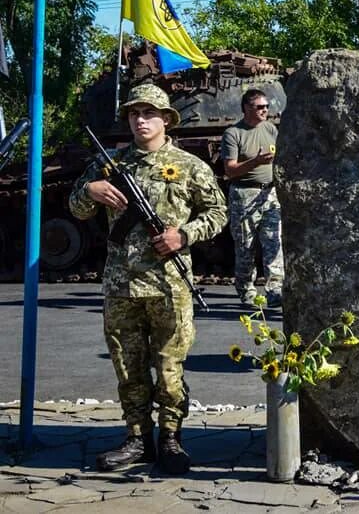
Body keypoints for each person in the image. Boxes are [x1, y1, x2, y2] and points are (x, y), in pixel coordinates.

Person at [69, 84, 227, 474]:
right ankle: (136, 439)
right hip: (121, 286)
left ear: (166, 120)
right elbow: (78, 208)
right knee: (129, 368)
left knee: (170, 370)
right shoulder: (109, 165)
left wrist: (183, 235)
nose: (141, 120)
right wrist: (90, 189)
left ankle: (171, 438)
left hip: (169, 285)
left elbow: (219, 213)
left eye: (149, 113)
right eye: (135, 114)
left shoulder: (189, 166)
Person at [221, 88, 284, 308]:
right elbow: (230, 170)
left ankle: (275, 290)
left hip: (270, 193)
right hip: (244, 194)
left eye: (267, 106)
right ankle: (246, 291)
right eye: (259, 107)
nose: (265, 110)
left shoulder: (270, 129)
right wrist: (255, 162)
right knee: (245, 247)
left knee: (273, 242)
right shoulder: (233, 133)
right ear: (247, 108)